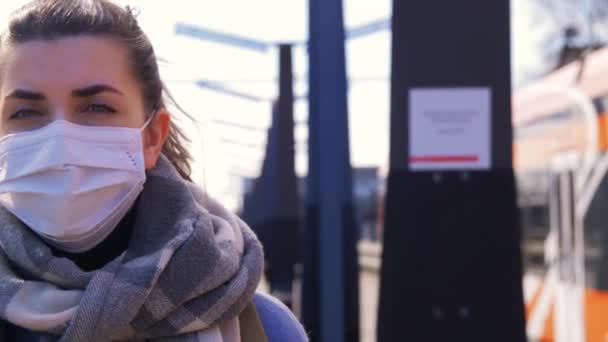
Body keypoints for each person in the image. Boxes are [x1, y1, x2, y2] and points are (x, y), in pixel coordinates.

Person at [0, 0, 308, 341]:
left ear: (152, 137)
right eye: (26, 112)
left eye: (97, 107)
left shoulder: (266, 327)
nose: (59, 145)